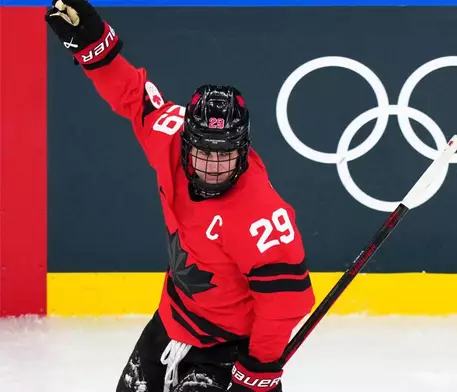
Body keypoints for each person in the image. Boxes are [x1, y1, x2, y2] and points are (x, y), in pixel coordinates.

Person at [44, 1, 316, 391]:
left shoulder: (262, 213)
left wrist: (258, 369)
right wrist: (95, 48)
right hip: (172, 320)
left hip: (232, 347)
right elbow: (134, 96)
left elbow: (286, 302)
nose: (214, 165)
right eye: (204, 151)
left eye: (226, 153)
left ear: (244, 149)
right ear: (186, 142)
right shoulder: (168, 139)